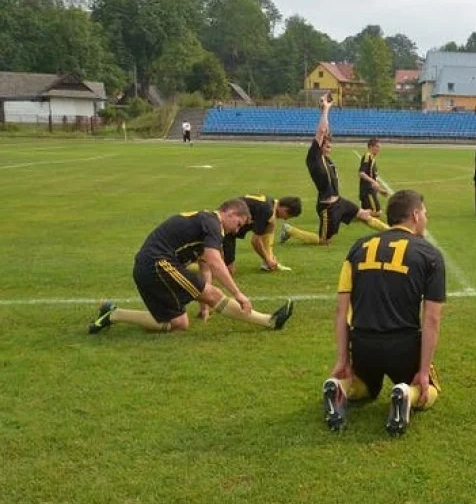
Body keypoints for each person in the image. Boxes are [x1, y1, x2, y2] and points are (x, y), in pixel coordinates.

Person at [322, 190, 446, 436]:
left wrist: (342, 360)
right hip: (403, 345)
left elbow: (341, 310)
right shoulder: (429, 254)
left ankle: (341, 387)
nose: (426, 219)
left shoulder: (358, 247)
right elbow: (431, 318)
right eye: (425, 214)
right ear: (415, 215)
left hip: (363, 343)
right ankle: (406, 394)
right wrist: (422, 372)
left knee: (366, 387)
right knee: (429, 389)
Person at [87, 199, 294, 334]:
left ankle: (114, 314)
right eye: (238, 224)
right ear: (228, 212)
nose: (236, 230)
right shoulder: (214, 224)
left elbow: (205, 266)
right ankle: (270, 321)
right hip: (157, 264)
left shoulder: (207, 225)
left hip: (149, 268)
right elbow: (214, 260)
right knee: (212, 294)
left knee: (179, 324)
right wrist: (238, 293)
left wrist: (205, 306)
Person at [281, 93, 389, 245]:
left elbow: (326, 132)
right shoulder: (313, 157)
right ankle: (289, 230)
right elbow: (321, 131)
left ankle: (394, 232)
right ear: (319, 147)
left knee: (365, 215)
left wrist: (325, 111)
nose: (329, 147)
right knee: (323, 240)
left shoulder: (326, 159)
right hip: (327, 207)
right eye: (327, 145)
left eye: (330, 145)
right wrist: (325, 110)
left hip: (339, 201)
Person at [223, 194, 301, 274]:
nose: (285, 219)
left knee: (270, 224)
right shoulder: (267, 211)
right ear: (285, 209)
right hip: (226, 225)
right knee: (229, 270)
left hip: (229, 216)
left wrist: (269, 257)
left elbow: (269, 229)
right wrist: (267, 259)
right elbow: (255, 241)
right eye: (288, 216)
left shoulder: (270, 203)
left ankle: (268, 262)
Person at [358, 138, 388, 218]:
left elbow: (373, 177)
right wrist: (373, 182)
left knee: (374, 212)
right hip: (367, 191)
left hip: (370, 191)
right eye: (377, 146)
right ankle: (355, 213)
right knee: (377, 213)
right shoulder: (367, 157)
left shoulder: (372, 158)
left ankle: (360, 212)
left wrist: (380, 190)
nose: (379, 149)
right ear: (371, 147)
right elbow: (361, 173)